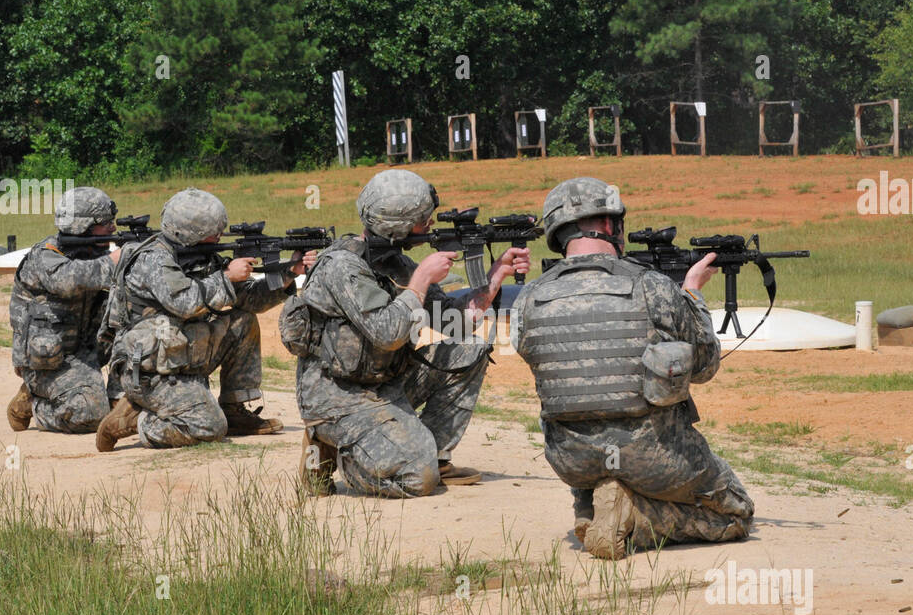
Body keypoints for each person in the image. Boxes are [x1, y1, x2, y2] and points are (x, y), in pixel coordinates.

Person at [510, 176, 754, 559]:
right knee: (735, 512)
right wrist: (690, 294)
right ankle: (635, 519)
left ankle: (591, 505)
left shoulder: (528, 298)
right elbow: (704, 367)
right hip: (654, 455)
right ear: (609, 224)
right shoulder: (653, 287)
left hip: (572, 460)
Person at [281, 169, 529, 497]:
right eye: (421, 218)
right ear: (396, 224)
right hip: (338, 395)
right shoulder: (342, 267)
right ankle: (337, 447)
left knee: (471, 350)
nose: (429, 224)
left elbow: (450, 321)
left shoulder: (395, 263)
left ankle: (434, 455)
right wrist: (422, 279)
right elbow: (387, 333)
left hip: (384, 380)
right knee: (417, 478)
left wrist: (495, 278)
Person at [95, 188, 309, 451]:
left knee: (242, 321)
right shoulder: (153, 259)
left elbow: (249, 299)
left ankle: (234, 409)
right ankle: (133, 418)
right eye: (213, 231)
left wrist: (288, 273)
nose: (219, 235)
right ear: (190, 232)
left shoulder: (201, 256)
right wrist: (226, 277)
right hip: (149, 372)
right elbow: (184, 302)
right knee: (209, 427)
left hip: (181, 358)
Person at [7, 187, 121, 434]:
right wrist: (117, 261)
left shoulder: (96, 253)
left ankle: (115, 396)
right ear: (84, 226)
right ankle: (35, 401)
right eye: (105, 223)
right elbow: (69, 280)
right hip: (47, 362)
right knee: (89, 414)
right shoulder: (46, 256)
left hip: (85, 353)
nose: (113, 228)